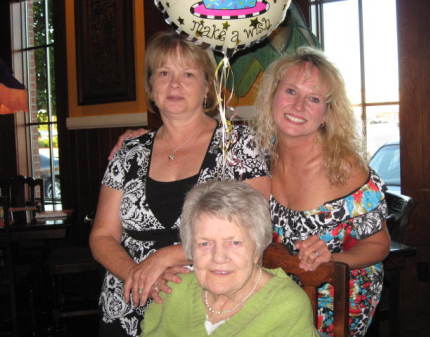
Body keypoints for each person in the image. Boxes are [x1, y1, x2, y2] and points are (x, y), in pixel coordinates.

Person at [89, 31, 270, 337]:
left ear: (206, 87)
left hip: (210, 303)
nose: (174, 84)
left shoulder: (238, 145)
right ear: (151, 87)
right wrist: (137, 273)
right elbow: (102, 236)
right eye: (163, 73)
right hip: (128, 302)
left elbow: (256, 229)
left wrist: (164, 258)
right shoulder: (128, 152)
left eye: (188, 73)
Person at [252, 46, 390, 337]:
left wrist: (334, 259)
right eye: (291, 91)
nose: (299, 105)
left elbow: (379, 245)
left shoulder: (346, 168)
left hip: (337, 300)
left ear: (327, 113)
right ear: (273, 96)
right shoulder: (256, 158)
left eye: (313, 98)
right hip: (275, 292)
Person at [141, 180, 319, 337]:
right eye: (205, 243)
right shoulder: (172, 290)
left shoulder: (285, 306)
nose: (218, 257)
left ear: (257, 248)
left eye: (234, 243)